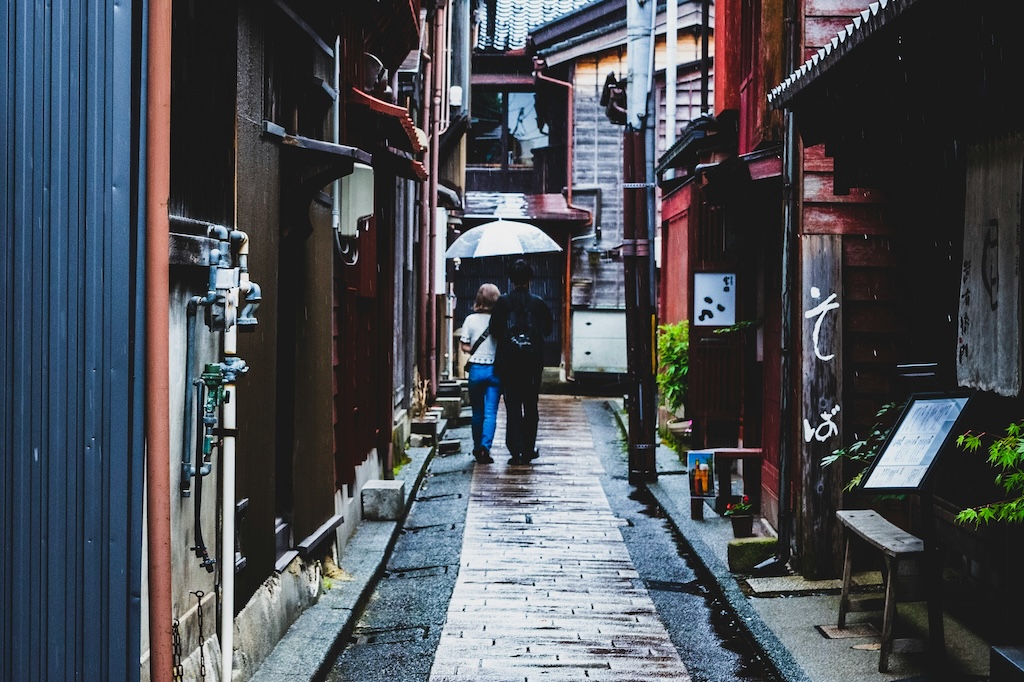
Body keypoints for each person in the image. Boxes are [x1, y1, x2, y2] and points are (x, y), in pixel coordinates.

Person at [490, 259, 553, 465]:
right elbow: (548, 330)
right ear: (530, 279)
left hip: (509, 363)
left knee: (513, 406)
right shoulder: (538, 303)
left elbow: (495, 331)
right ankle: (528, 449)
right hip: (532, 363)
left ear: (511, 279)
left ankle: (514, 449)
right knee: (531, 405)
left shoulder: (503, 303)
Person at [460, 283, 502, 464]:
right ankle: (486, 447)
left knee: (477, 412)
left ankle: (477, 448)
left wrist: (475, 350)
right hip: (495, 369)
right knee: (491, 412)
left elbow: (464, 345)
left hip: (476, 369)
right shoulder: (500, 320)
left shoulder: (470, 320)